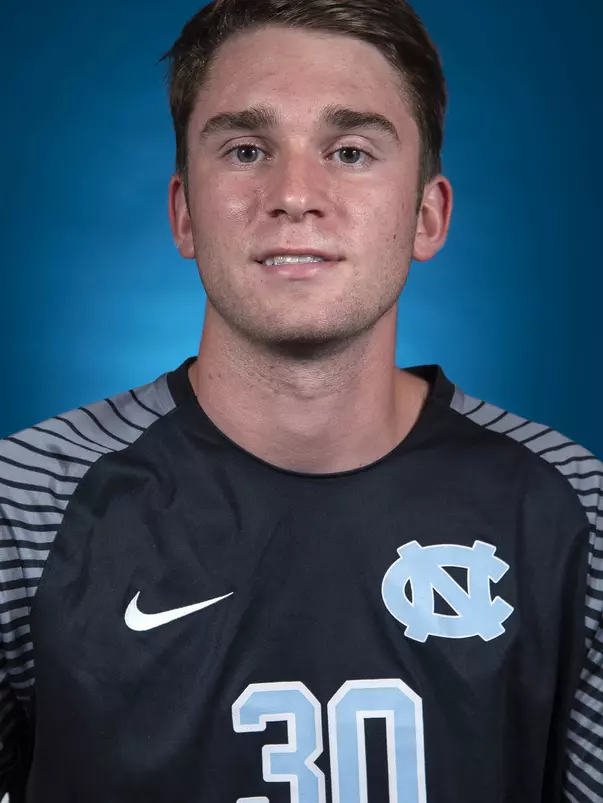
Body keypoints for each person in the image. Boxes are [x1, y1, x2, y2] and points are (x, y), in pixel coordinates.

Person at [0, 0, 601, 800]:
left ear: (427, 215)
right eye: (247, 149)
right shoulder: (25, 504)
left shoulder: (572, 511)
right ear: (184, 213)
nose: (293, 194)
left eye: (349, 151)